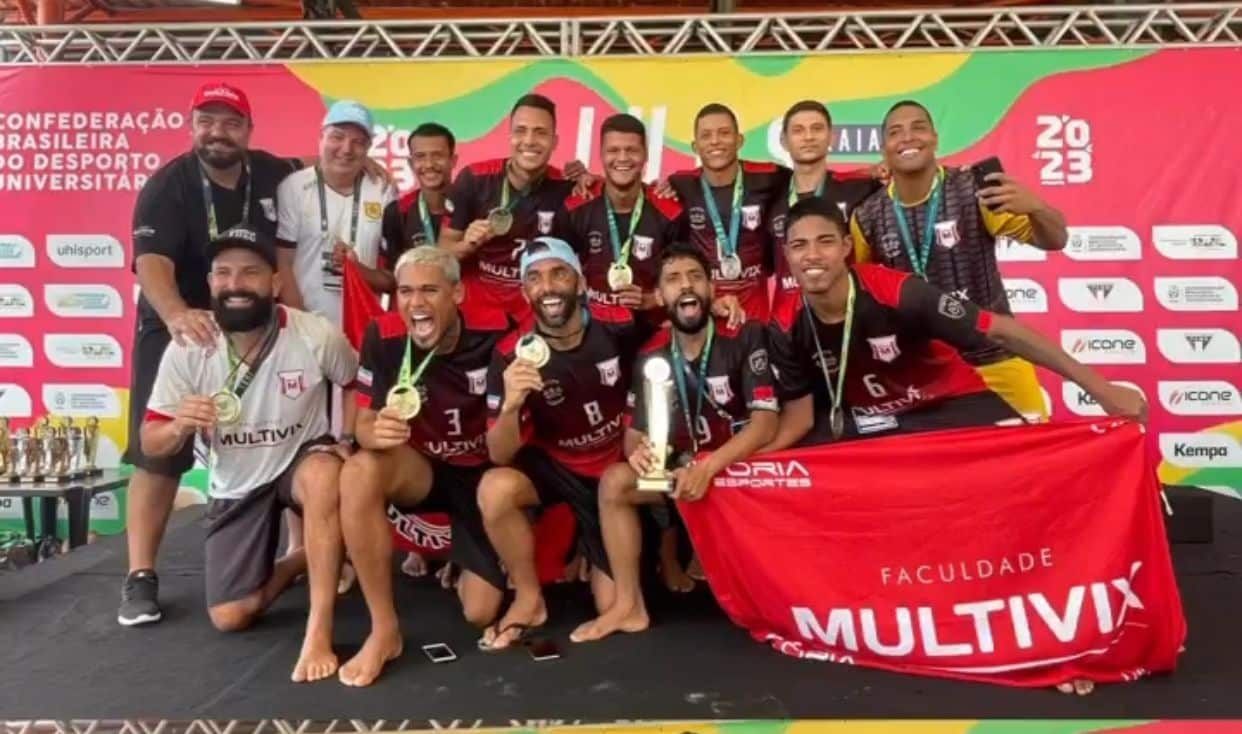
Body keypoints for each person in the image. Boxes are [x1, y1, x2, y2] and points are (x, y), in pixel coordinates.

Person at [139, 224, 358, 683]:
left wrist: (348, 439)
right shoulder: (188, 345)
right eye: (223, 273)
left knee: (324, 474)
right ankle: (306, 558)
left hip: (301, 459)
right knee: (232, 615)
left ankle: (318, 630)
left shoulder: (314, 333)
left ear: (275, 283)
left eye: (250, 273)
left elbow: (356, 381)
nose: (235, 284)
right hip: (238, 481)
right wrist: (180, 424)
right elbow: (150, 442)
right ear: (210, 282)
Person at [121, 81, 304, 627]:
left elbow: (318, 161)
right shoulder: (167, 185)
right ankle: (140, 576)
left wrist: (369, 167)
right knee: (160, 448)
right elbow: (151, 263)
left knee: (284, 432)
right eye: (207, 121)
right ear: (192, 125)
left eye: (229, 122)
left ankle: (294, 553)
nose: (217, 132)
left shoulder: (274, 172)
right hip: (183, 327)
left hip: (251, 325)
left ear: (248, 130)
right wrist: (178, 315)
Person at [766, 198, 1145, 451]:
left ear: (847, 247)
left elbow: (1001, 330)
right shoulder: (783, 322)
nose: (812, 255)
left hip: (947, 403)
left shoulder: (897, 292)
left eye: (825, 242)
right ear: (787, 254)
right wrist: (743, 461)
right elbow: (798, 417)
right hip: (869, 420)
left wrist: (1101, 389)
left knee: (1025, 461)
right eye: (799, 246)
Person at [570, 243, 779, 643]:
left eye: (695, 277)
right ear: (661, 297)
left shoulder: (745, 334)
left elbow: (766, 423)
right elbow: (633, 437)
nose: (686, 286)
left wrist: (709, 467)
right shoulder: (651, 355)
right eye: (673, 280)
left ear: (712, 289)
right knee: (616, 483)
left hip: (735, 470)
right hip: (681, 471)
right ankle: (628, 607)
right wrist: (642, 453)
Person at [335, 246, 509, 688]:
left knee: (480, 612)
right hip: (423, 469)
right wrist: (373, 433)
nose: (416, 303)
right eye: (406, 291)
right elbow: (364, 422)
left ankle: (460, 556)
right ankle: (383, 629)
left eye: (430, 290)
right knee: (358, 470)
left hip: (483, 477)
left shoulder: (497, 333)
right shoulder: (384, 334)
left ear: (457, 293)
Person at [477, 237, 649, 650]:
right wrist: (510, 406)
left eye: (558, 273)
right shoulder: (511, 354)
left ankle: (600, 555)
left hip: (615, 469)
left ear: (581, 283)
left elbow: (667, 360)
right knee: (495, 488)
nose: (547, 287)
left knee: (614, 604)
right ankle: (529, 597)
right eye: (534, 278)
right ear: (524, 292)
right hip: (556, 468)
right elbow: (498, 454)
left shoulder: (620, 324)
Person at [850, 100, 1069, 422]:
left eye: (918, 127)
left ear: (935, 138)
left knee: (1035, 461)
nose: (908, 137)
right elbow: (855, 290)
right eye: (896, 132)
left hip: (995, 356)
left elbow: (1055, 240)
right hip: (923, 372)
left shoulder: (974, 191)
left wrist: (1036, 208)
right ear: (883, 148)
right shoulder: (867, 215)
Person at [438, 94, 577, 325]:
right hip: (477, 311)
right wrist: (467, 244)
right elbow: (442, 253)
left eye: (540, 132)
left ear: (555, 141)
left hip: (534, 312)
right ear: (510, 136)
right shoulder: (474, 178)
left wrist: (590, 179)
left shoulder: (568, 189)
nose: (529, 140)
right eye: (521, 131)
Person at [666, 103, 789, 322]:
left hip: (756, 317)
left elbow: (813, 177)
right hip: (705, 314)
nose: (715, 141)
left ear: (739, 140)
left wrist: (869, 173)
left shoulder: (769, 176)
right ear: (695, 146)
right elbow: (634, 192)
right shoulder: (681, 184)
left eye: (724, 133)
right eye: (706, 135)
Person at [553, 113, 682, 322]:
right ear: (601, 155)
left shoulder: (670, 213)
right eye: (613, 150)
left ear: (646, 155)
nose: (622, 158)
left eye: (631, 150)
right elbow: (555, 268)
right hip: (591, 327)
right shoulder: (575, 208)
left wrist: (652, 299)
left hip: (649, 329)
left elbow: (684, 279)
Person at [768, 100, 882, 315]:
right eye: (798, 131)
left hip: (847, 313)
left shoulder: (860, 189)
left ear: (832, 137)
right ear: (784, 141)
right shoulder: (769, 197)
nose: (808, 137)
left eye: (817, 129)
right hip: (788, 319)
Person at [382, 123, 459, 257]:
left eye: (437, 155)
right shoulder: (397, 213)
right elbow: (392, 273)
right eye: (420, 156)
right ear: (411, 164)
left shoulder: (474, 207)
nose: (429, 164)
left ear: (453, 160)